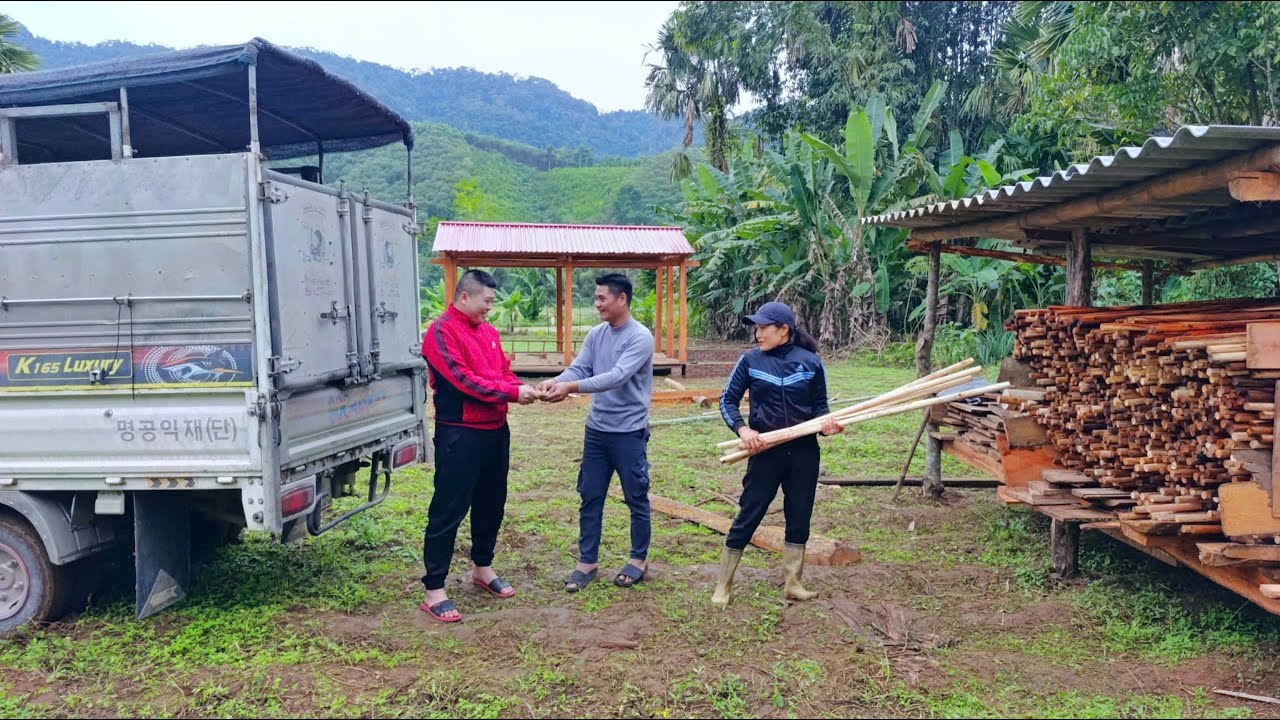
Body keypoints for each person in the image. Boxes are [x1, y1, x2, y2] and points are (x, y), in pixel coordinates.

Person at [419, 269, 542, 623]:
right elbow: (462, 380)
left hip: (494, 431)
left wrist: (523, 387)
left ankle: (482, 568)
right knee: (449, 508)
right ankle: (434, 588)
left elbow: (502, 372)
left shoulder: (488, 332)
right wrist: (512, 392)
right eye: (487, 301)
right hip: (460, 434)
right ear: (464, 298)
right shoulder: (441, 331)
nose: (490, 307)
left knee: (491, 502)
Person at [713, 301, 843, 606]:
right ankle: (723, 584)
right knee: (749, 514)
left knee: (799, 516)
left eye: (763, 327)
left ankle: (793, 583)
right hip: (765, 451)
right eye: (756, 328)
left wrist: (828, 426)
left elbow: (820, 409)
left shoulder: (810, 362)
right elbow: (727, 400)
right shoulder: (750, 361)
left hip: (803, 451)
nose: (757, 333)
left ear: (783, 330)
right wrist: (743, 431)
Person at [538, 273, 655, 592]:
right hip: (597, 432)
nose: (597, 303)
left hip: (629, 433)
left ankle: (637, 559)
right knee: (590, 495)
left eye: (602, 298)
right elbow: (581, 367)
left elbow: (617, 376)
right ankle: (587, 562)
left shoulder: (640, 337)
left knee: (636, 496)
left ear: (622, 300)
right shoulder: (597, 334)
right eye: (597, 297)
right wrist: (556, 380)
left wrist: (571, 387)